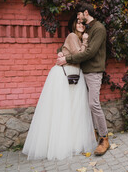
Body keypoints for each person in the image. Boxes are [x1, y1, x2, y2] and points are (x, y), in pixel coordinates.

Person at [22, 19, 97, 160]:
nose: (81, 25)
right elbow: (77, 55)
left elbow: (70, 52)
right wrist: (85, 42)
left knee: (73, 112)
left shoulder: (77, 39)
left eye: (83, 23)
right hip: (65, 75)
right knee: (61, 110)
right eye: (78, 23)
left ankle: (69, 144)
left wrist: (65, 53)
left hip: (74, 75)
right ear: (73, 25)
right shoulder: (72, 36)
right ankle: (57, 145)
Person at [56, 2, 109, 156]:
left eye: (79, 15)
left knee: (93, 103)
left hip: (93, 71)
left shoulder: (98, 28)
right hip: (81, 72)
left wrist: (67, 59)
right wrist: (61, 51)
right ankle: (92, 134)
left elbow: (90, 52)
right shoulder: (88, 28)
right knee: (85, 105)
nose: (78, 18)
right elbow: (75, 41)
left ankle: (104, 137)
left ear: (85, 13)